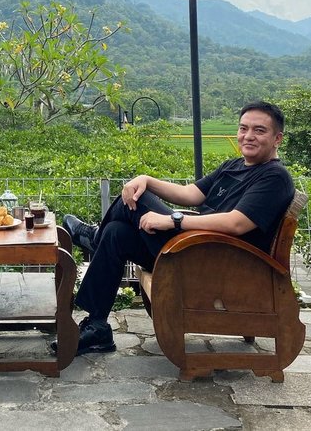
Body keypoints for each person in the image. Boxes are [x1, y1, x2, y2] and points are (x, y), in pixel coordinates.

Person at [57, 100, 295, 356]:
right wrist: (146, 179)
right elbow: (190, 193)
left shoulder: (274, 177)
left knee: (138, 202)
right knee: (116, 233)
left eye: (259, 130)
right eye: (243, 128)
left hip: (216, 262)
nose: (248, 136)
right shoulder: (233, 166)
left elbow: (236, 223)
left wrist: (174, 220)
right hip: (196, 249)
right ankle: (97, 326)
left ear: (277, 138)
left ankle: (93, 236)